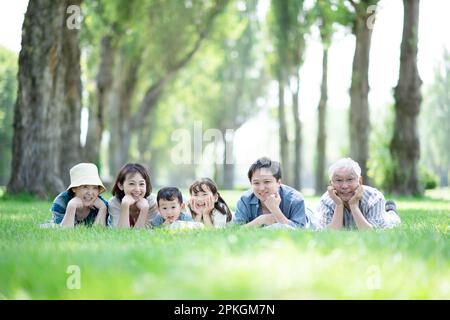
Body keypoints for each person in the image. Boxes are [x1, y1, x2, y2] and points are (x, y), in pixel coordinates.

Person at [318, 158, 401, 230]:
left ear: (360, 181)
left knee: (393, 220)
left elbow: (370, 233)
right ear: (331, 183)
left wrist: (353, 205)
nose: (344, 186)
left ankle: (391, 210)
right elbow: (332, 233)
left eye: (350, 179)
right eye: (339, 180)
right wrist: (339, 204)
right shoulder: (325, 201)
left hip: (387, 219)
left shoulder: (374, 198)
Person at [232, 157, 310, 229]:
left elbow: (300, 230)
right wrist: (262, 220)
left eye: (267, 182)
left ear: (278, 182)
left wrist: (275, 210)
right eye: (256, 183)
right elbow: (236, 229)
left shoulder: (295, 199)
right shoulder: (245, 200)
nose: (261, 188)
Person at [50, 163, 108, 228]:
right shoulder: (62, 201)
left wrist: (103, 208)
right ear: (74, 188)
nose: (90, 193)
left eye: (95, 187)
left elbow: (98, 231)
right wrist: (71, 206)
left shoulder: (102, 204)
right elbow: (64, 231)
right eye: (85, 187)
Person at [108, 163, 158, 228]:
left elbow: (144, 233)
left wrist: (144, 210)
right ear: (120, 185)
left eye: (141, 184)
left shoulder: (153, 202)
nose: (137, 189)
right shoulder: (114, 203)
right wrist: (125, 205)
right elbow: (122, 233)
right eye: (131, 184)